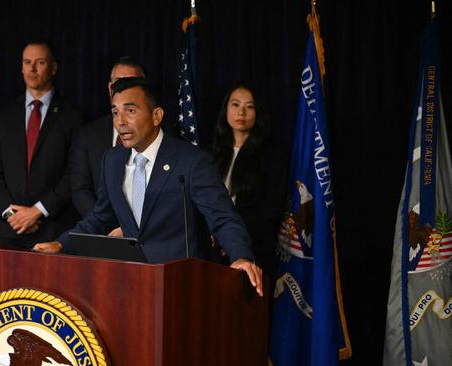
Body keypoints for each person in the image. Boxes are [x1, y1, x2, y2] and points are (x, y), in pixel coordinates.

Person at [35, 77, 264, 296]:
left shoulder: (191, 162)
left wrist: (241, 257)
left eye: (130, 111)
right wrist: (62, 243)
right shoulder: (112, 161)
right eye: (115, 112)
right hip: (129, 282)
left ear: (157, 116)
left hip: (181, 283)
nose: (120, 121)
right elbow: (100, 217)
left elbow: (223, 217)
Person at [0, 40, 83, 248]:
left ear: (54, 68)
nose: (32, 68)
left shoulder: (73, 117)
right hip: (9, 229)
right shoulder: (3, 117)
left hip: (52, 230)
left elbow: (74, 173)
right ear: (21, 68)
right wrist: (11, 214)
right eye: (27, 62)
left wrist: (38, 210)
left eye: (40, 62)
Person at [211, 82, 287, 275]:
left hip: (254, 251)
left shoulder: (272, 157)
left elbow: (271, 209)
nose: (241, 113)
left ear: (258, 112)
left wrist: (232, 239)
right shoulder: (209, 153)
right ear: (226, 108)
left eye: (249, 106)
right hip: (210, 252)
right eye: (235, 105)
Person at [71, 56, 146, 218]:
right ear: (110, 87)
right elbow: (80, 189)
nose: (124, 89)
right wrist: (105, 226)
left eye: (131, 83)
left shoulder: (163, 133)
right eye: (119, 83)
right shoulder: (88, 135)